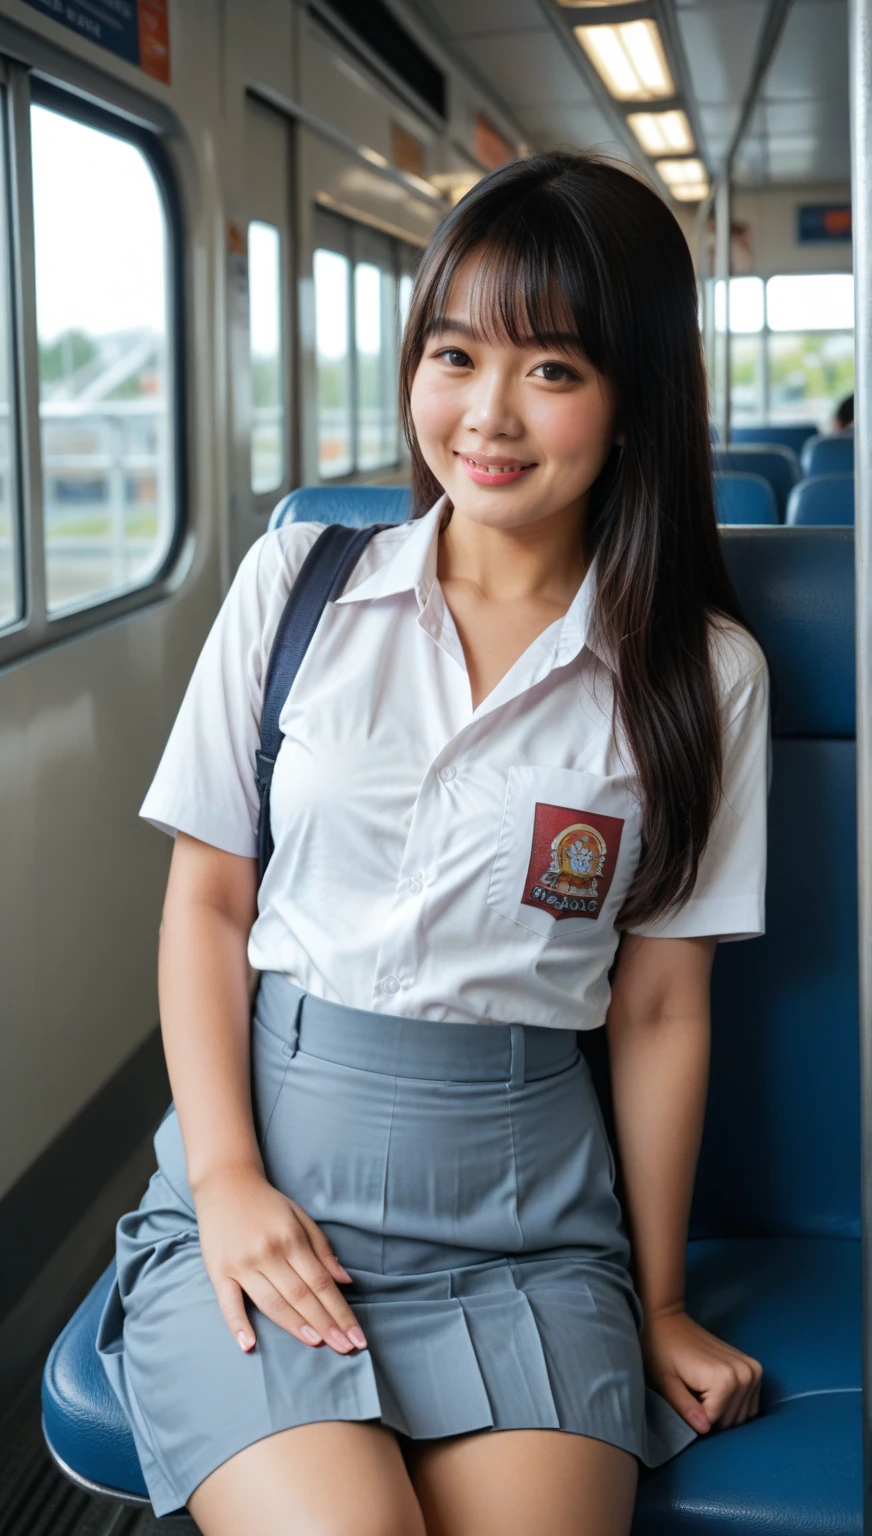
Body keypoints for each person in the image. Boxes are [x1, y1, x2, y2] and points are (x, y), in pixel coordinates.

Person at [96, 151, 769, 1536]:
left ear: (636, 400)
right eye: (455, 354)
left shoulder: (704, 677)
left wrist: (658, 1303)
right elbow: (208, 906)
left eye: (554, 370)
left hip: (529, 1227)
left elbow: (654, 1011)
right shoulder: (298, 589)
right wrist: (223, 1179)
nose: (488, 415)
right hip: (270, 1183)